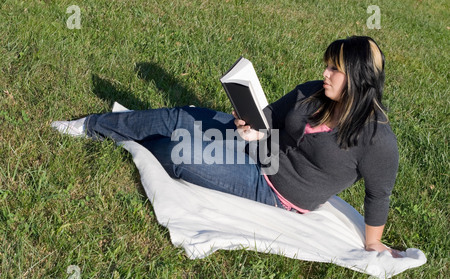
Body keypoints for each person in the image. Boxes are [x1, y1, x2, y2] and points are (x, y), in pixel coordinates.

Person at [52, 36, 401, 257]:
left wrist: (372, 243)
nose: (325, 73)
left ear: (358, 79)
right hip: (259, 146)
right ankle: (92, 125)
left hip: (276, 188)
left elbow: (378, 194)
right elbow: (271, 115)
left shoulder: (377, 140)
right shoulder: (314, 92)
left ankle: (135, 138)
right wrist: (248, 121)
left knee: (177, 151)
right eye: (327, 65)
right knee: (182, 115)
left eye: (334, 69)